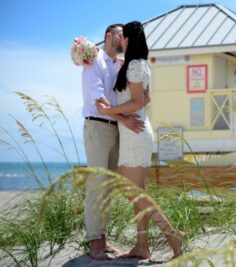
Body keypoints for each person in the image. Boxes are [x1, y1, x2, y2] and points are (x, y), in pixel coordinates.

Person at [96, 21, 184, 259]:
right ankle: (141, 246)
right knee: (137, 193)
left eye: (123, 36)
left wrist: (108, 111)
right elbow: (146, 99)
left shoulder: (135, 65)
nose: (120, 40)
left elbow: (137, 102)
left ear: (130, 39)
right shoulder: (139, 64)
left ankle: (172, 235)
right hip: (136, 130)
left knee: (133, 192)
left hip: (135, 132)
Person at [82, 23, 148, 260]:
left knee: (108, 187)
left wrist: (123, 122)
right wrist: (125, 120)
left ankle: (103, 239)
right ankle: (94, 242)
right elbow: (100, 103)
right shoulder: (94, 62)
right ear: (109, 36)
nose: (124, 39)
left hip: (116, 129)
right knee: (97, 184)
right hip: (98, 127)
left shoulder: (119, 65)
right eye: (121, 35)